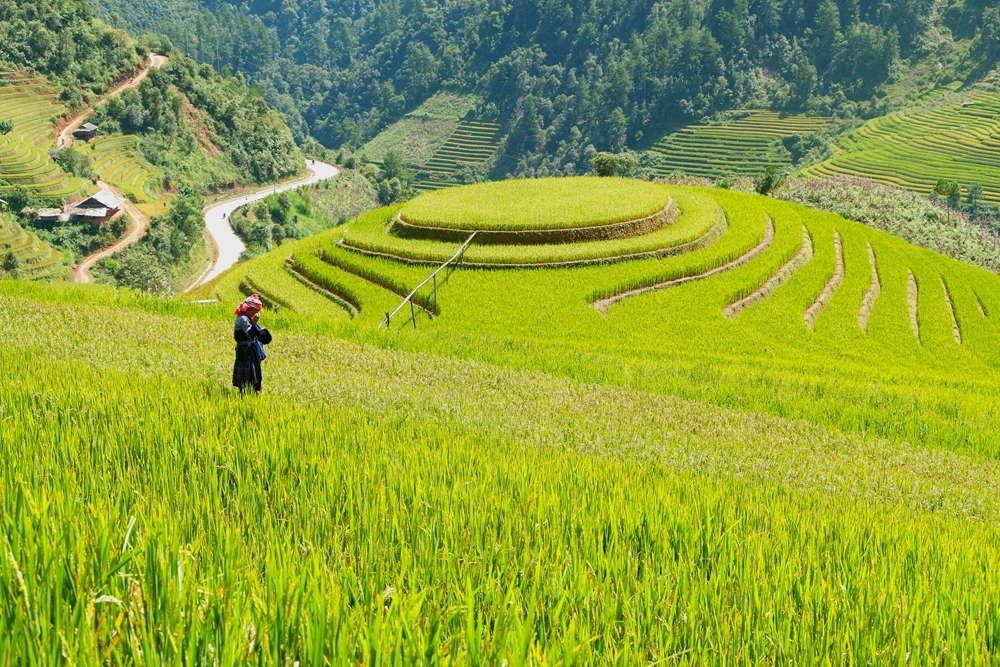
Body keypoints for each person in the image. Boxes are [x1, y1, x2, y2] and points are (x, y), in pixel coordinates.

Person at [232, 294, 272, 393]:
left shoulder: (247, 317)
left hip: (249, 348)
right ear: (250, 308)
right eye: (256, 310)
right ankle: (246, 393)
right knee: (247, 373)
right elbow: (251, 334)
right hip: (245, 350)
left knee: (254, 372)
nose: (257, 312)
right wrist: (254, 323)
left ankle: (254, 391)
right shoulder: (243, 319)